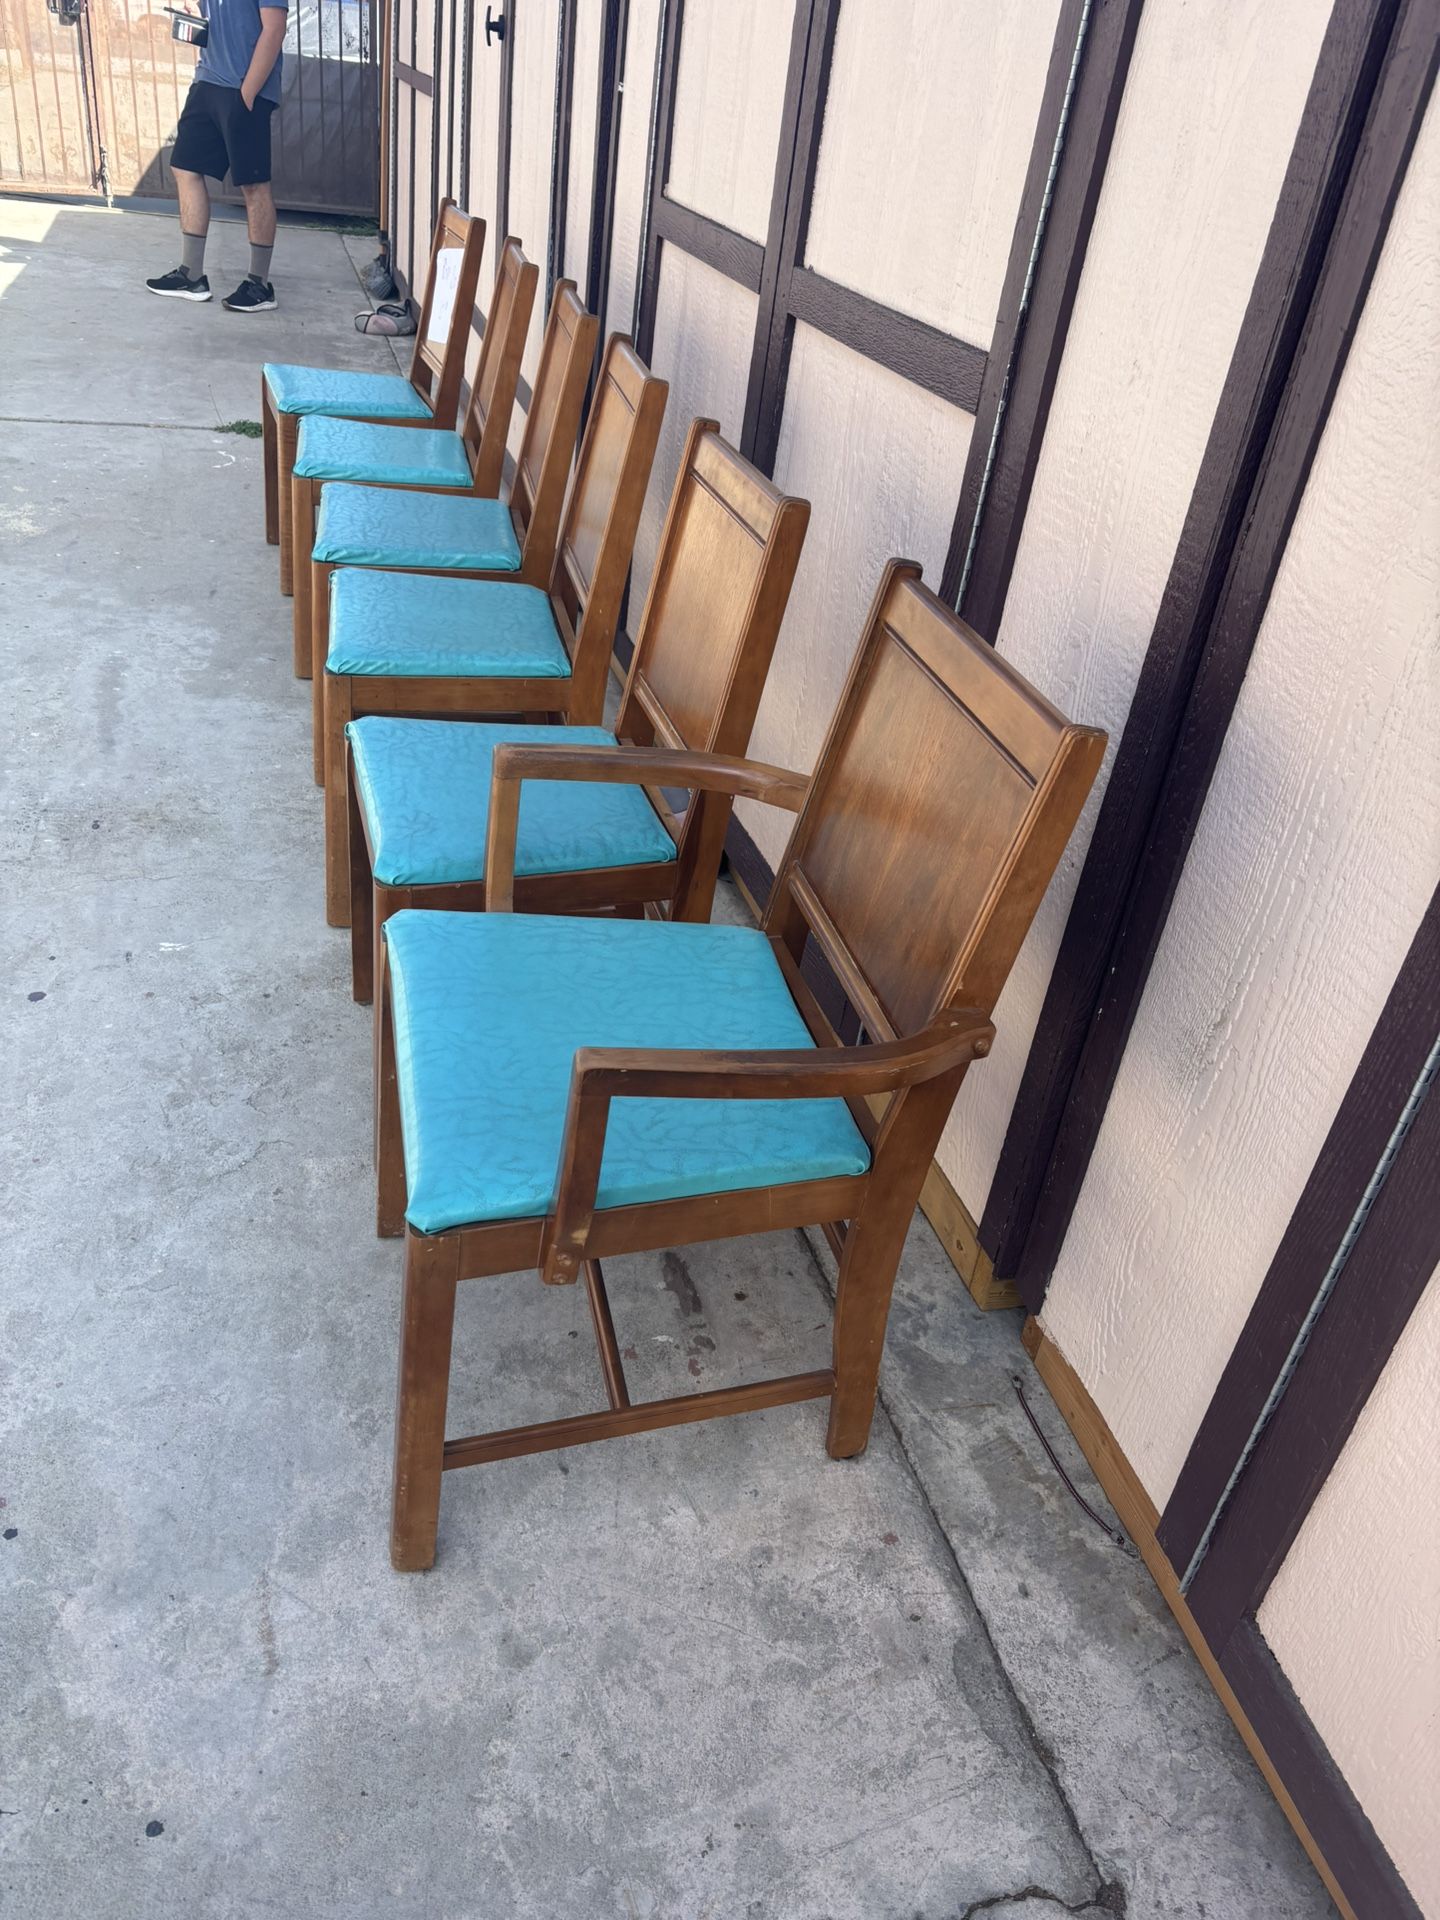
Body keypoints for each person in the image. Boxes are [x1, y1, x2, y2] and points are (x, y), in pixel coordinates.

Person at [145, 0, 288, 312]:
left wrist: (247, 93)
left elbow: (275, 29)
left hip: (245, 88)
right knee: (185, 167)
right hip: (207, 81)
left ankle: (259, 285)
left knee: (253, 184)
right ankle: (191, 275)